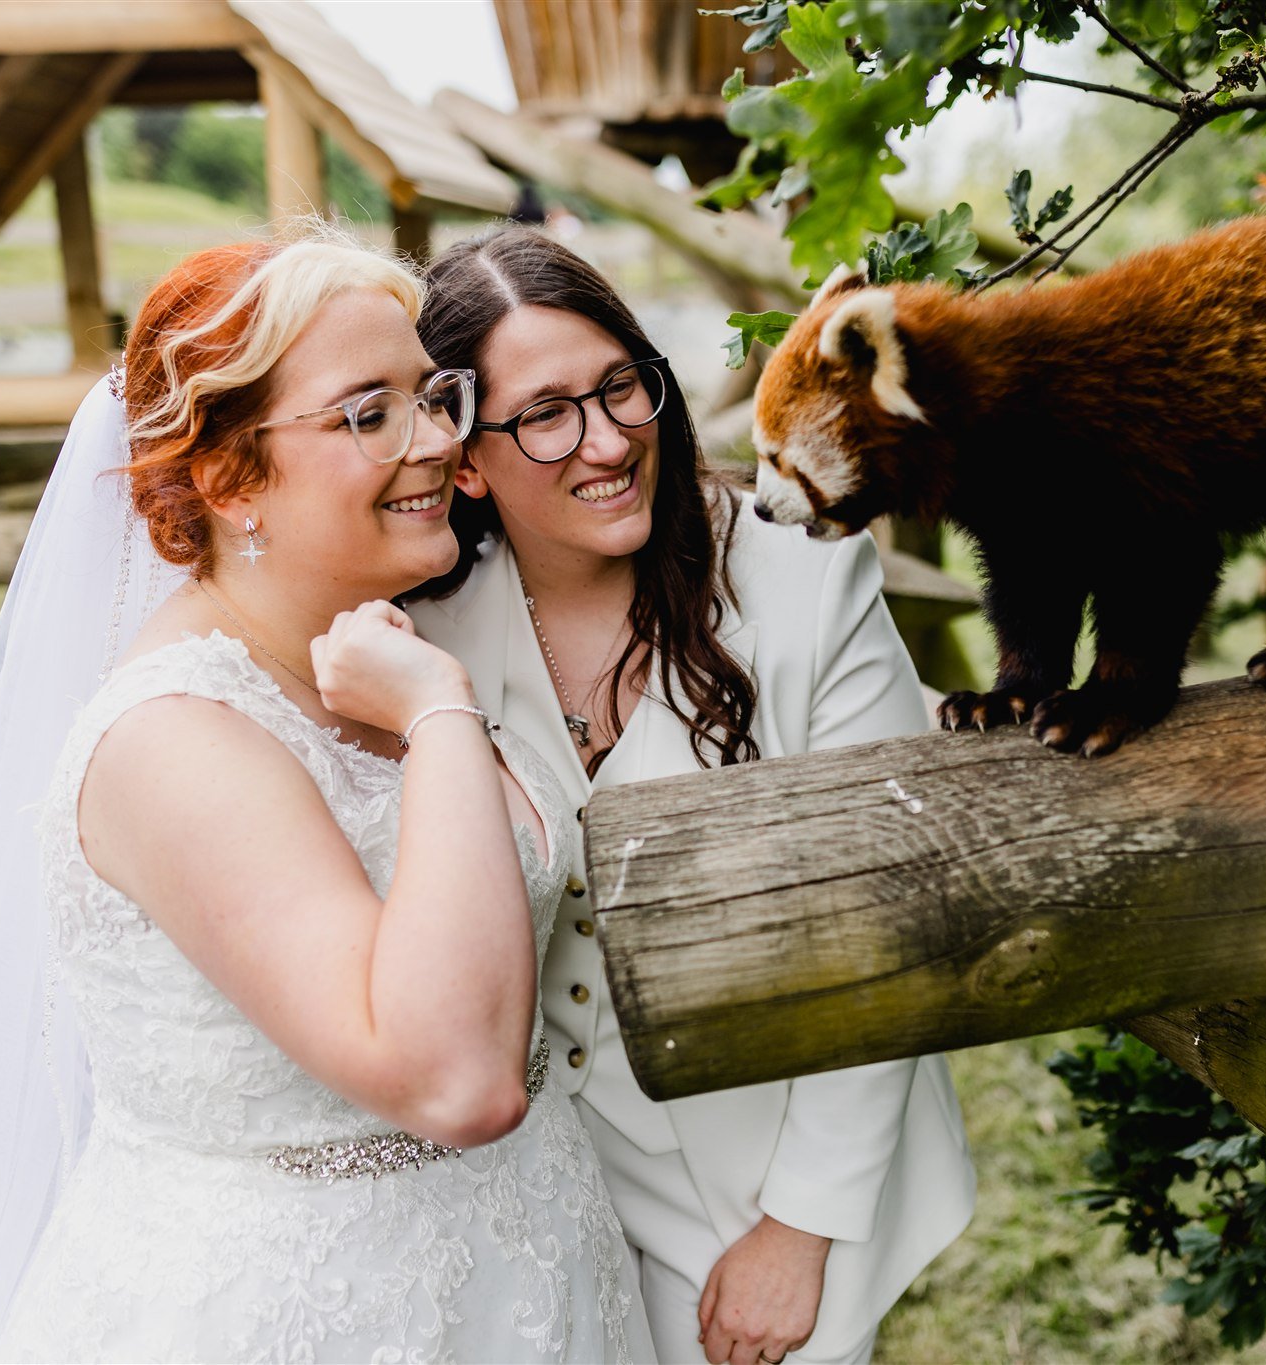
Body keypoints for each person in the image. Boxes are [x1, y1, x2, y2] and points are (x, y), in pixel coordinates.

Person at [0, 230, 653, 1363]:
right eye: (369, 413)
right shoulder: (176, 742)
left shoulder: (380, 647)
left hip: (533, 1271)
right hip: (306, 1313)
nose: (437, 446)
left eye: (433, 397)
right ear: (227, 478)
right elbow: (455, 1082)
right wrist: (440, 718)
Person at [406, 226, 976, 1365]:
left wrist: (801, 1226)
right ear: (465, 457)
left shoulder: (807, 588)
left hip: (766, 1173)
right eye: (545, 414)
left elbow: (888, 923)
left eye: (621, 387)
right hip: (531, 1185)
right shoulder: (423, 630)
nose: (607, 440)